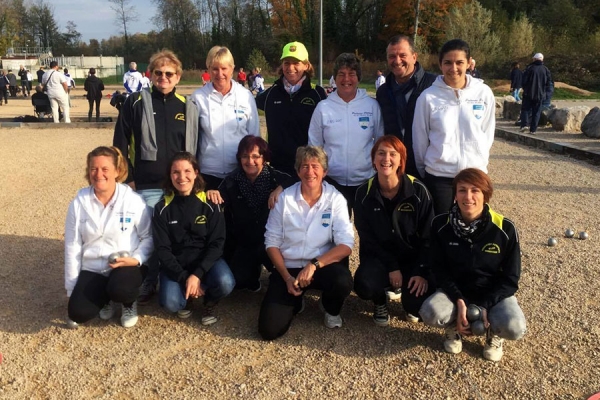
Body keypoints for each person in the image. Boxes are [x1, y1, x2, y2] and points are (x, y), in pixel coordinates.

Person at [113, 49, 200, 304]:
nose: (164, 77)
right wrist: (128, 177)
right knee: (150, 235)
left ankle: (176, 277)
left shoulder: (188, 106)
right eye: (159, 73)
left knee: (179, 232)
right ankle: (149, 280)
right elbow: (120, 142)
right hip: (147, 184)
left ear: (178, 77)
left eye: (169, 73)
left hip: (180, 184)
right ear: (150, 75)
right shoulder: (135, 102)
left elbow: (196, 148)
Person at [419, 168, 526, 362]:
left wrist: (485, 305)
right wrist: (459, 299)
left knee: (514, 327)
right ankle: (453, 326)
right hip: (455, 292)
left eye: (475, 190)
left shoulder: (505, 229)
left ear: (485, 195)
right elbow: (438, 269)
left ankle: (494, 333)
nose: (468, 197)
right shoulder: (440, 224)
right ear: (455, 195)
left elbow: (511, 279)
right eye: (462, 190)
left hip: (492, 294)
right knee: (429, 312)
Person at [258, 146, 355, 340]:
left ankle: (329, 307)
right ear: (297, 171)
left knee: (342, 281)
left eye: (315, 166)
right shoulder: (284, 199)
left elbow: (346, 244)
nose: (310, 172)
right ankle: (296, 299)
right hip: (289, 269)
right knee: (268, 331)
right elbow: (271, 241)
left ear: (324, 172)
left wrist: (314, 264)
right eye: (304, 166)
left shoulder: (335, 199)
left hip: (320, 267)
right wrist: (285, 277)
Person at [64, 146, 153, 329]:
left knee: (121, 289)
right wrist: (72, 289)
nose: (99, 174)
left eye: (105, 169)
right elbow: (72, 246)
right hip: (93, 268)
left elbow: (148, 237)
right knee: (78, 312)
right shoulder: (78, 204)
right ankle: (105, 299)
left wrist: (136, 260)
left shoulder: (133, 201)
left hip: (125, 265)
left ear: (117, 172)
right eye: (93, 169)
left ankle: (128, 303)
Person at [353, 136, 436, 326]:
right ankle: (379, 301)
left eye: (393, 154)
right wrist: (392, 267)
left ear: (401, 160)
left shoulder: (419, 191)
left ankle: (408, 296)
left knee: (417, 306)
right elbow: (367, 238)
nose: (386, 159)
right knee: (364, 285)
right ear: (373, 159)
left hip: (412, 260)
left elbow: (428, 237)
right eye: (381, 153)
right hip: (379, 258)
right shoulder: (363, 193)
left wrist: (420, 271)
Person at [412, 39, 495, 215]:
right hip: (440, 176)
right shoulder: (427, 97)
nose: (454, 68)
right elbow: (419, 139)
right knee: (442, 229)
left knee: (473, 227)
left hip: (473, 175)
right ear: (440, 64)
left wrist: (480, 162)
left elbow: (487, 133)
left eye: (459, 62)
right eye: (448, 63)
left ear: (469, 63)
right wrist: (426, 168)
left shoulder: (484, 93)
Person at [153, 152, 235, 325]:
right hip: (177, 265)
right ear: (170, 175)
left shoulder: (210, 203)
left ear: (196, 172)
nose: (181, 177)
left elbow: (217, 243)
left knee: (226, 282)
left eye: (187, 171)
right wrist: (184, 277)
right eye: (176, 172)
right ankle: (188, 296)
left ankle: (209, 301)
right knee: (171, 303)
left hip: (205, 263)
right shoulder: (161, 207)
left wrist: (197, 275)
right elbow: (162, 250)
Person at [207, 136, 293, 291]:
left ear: (264, 158)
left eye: (256, 156)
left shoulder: (275, 177)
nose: (250, 161)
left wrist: (281, 188)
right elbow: (219, 198)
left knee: (281, 277)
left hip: (273, 242)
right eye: (245, 156)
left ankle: (279, 276)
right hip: (245, 240)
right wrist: (212, 192)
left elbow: (295, 181)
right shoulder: (232, 180)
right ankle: (253, 275)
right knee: (239, 281)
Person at [308, 52, 383, 213]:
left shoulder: (371, 106)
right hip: (332, 182)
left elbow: (380, 142)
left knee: (368, 232)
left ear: (358, 78)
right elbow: (314, 147)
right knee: (334, 233)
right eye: (341, 74)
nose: (346, 79)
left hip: (366, 181)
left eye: (351, 74)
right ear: (334, 78)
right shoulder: (323, 107)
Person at [256, 41, 327, 177]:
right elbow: (247, 105)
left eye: (296, 63)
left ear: (306, 65)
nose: (291, 67)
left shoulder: (317, 94)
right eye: (287, 63)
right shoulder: (271, 93)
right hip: (277, 167)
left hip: (307, 169)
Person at [192, 45, 260, 190]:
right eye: (215, 69)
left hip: (239, 171)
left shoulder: (245, 96)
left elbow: (254, 135)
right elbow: (192, 138)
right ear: (208, 69)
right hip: (208, 173)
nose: (220, 73)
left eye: (224, 68)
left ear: (232, 68)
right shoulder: (198, 97)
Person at [376, 34, 436, 180]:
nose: (397, 61)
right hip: (396, 167)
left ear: (414, 57)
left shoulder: (434, 85)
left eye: (403, 55)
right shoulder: (383, 92)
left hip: (430, 166)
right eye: (392, 56)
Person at [519, 53, 552, 135]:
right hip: (540, 94)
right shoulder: (546, 69)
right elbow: (548, 82)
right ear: (542, 60)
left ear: (534, 59)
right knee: (536, 112)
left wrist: (525, 88)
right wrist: (546, 93)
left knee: (525, 109)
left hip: (529, 93)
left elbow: (524, 81)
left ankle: (524, 125)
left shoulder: (530, 68)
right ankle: (533, 129)